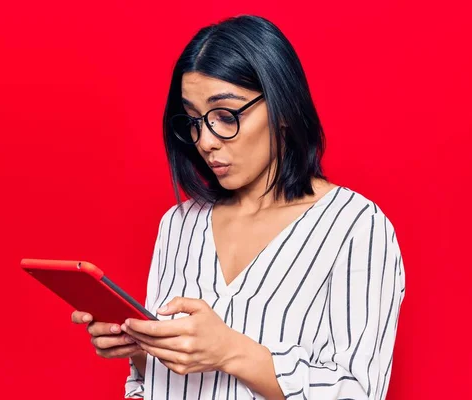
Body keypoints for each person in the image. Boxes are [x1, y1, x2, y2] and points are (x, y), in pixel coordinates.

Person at [72, 14, 405, 400]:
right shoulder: (178, 225)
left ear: (282, 109)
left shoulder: (356, 227)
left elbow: (359, 392)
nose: (205, 141)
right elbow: (150, 388)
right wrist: (143, 348)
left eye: (225, 116)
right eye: (194, 121)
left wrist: (230, 350)